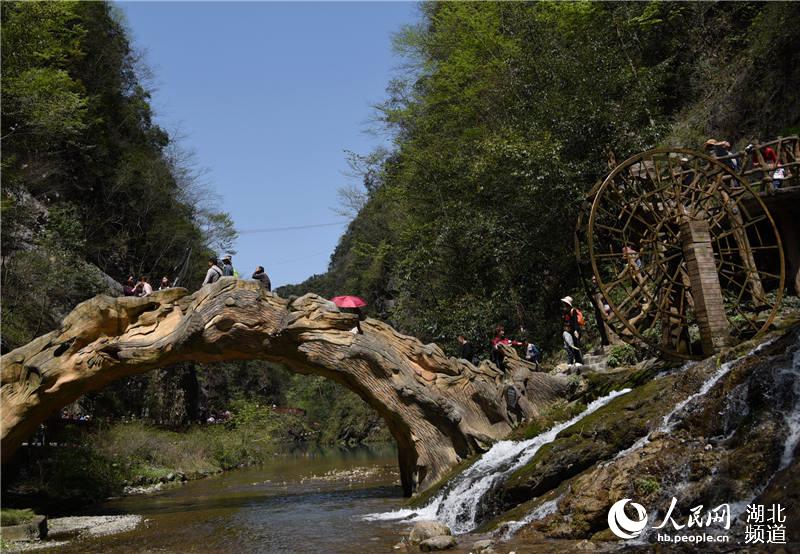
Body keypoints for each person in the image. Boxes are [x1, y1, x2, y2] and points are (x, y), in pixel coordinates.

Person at [561, 296, 584, 366]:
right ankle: (573, 361)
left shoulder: (572, 310)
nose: (564, 304)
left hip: (575, 330)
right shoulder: (566, 312)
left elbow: (575, 321)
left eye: (565, 303)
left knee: (576, 345)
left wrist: (576, 330)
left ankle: (579, 361)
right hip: (569, 331)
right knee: (570, 346)